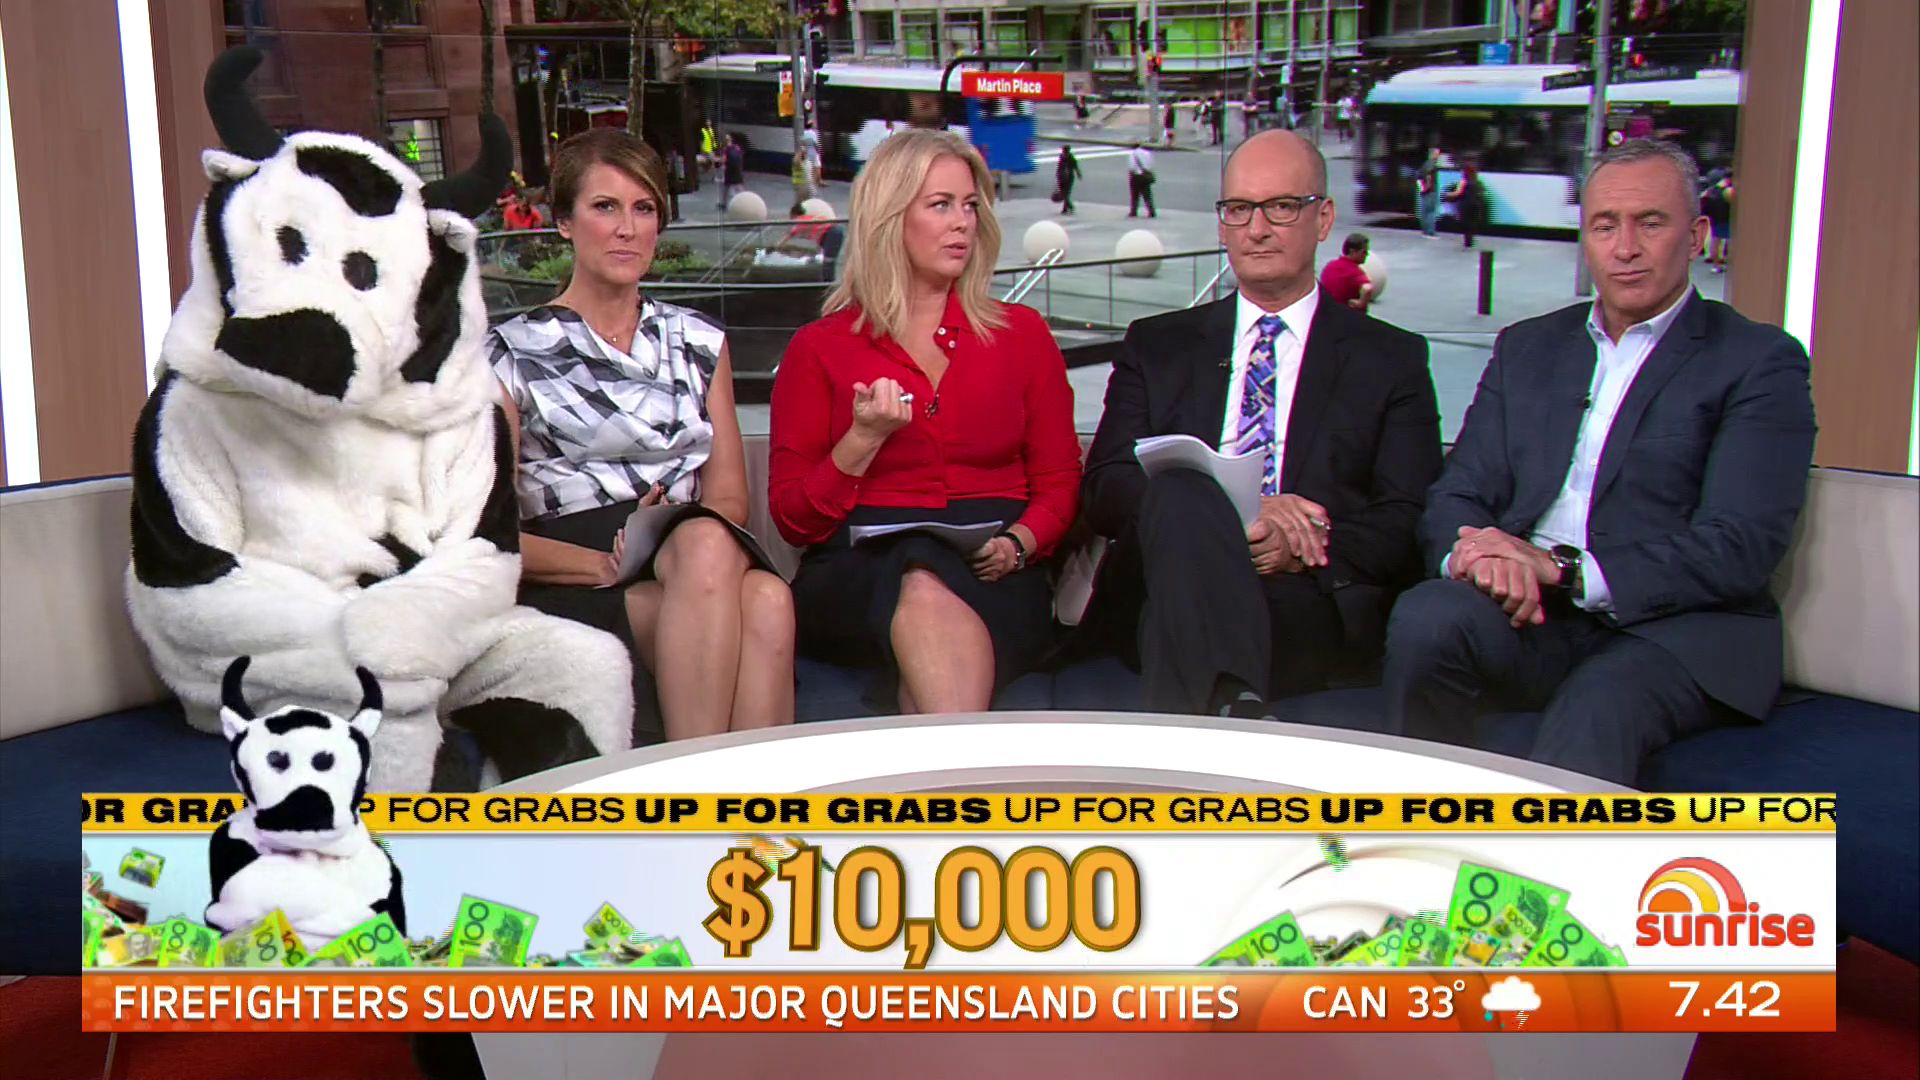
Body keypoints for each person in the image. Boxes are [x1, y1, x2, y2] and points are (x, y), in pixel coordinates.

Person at [1381, 139, 1817, 785]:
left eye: (1650, 223)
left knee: (1601, 701)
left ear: (1697, 236)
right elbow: (1458, 491)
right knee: (1429, 616)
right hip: (1532, 615)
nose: (1625, 248)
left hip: (1674, 631)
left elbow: (1739, 544)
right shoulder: (1528, 347)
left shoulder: (1757, 361)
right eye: (1605, 225)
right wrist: (1475, 556)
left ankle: (1539, 858)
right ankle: (1413, 831)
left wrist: (1565, 570)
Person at [1079, 131, 1442, 716]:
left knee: (1193, 597)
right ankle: (1229, 706)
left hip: (1304, 597)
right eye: (1238, 209)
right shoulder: (1159, 344)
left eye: (1281, 207)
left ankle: (1207, 714)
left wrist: (1300, 543)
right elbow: (1105, 489)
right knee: (1180, 488)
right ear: (1222, 224)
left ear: (1323, 218)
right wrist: (1230, 514)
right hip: (1161, 583)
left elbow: (1407, 516)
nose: (1256, 228)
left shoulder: (1390, 359)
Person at [490, 129, 795, 745]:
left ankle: (715, 790)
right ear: (564, 223)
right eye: (605, 207)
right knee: (755, 596)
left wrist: (664, 540)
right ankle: (704, 785)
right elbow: (486, 529)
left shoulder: (700, 341)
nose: (627, 229)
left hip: (688, 552)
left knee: (760, 590)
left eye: (644, 208)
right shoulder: (508, 352)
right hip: (574, 568)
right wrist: (604, 563)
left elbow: (729, 500)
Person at [769, 129, 1081, 714]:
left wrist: (1019, 544)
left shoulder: (1022, 336)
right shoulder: (819, 348)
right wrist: (862, 440)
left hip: (993, 567)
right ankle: (964, 762)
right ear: (890, 219)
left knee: (929, 596)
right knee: (918, 576)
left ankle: (935, 760)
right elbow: (793, 520)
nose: (963, 223)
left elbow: (1060, 482)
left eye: (970, 205)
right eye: (941, 205)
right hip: (859, 570)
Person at [1318, 233, 1372, 312]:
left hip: (1327, 312)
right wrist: (1361, 303)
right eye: (1364, 252)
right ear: (1352, 251)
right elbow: (1367, 288)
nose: (1367, 254)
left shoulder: (1330, 266)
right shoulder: (1355, 272)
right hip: (1348, 314)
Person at [1446, 161, 1486, 248]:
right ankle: (1470, 239)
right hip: (1477, 204)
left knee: (1466, 223)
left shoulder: (1463, 182)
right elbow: (1482, 192)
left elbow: (1457, 193)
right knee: (1472, 223)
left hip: (1466, 204)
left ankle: (1467, 241)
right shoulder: (1478, 182)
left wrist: (1448, 194)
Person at [1701, 166, 1733, 272]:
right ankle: (1727, 264)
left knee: (1715, 240)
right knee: (1729, 241)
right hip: (1726, 217)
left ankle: (1715, 265)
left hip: (1715, 218)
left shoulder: (1713, 189)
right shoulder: (1729, 189)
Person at [1127, 140, 1157, 218]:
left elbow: (1132, 166)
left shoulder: (1133, 154)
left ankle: (1133, 211)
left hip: (1136, 176)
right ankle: (1151, 211)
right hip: (1145, 175)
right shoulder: (1147, 153)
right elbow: (1151, 164)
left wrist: (1131, 173)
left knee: (1135, 195)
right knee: (1147, 194)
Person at [1417, 146, 1442, 238]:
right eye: (1437, 154)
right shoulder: (1432, 164)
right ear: (1433, 154)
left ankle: (1425, 231)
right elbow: (1429, 176)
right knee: (1431, 212)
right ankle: (1430, 232)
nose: (1438, 156)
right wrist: (1428, 187)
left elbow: (1419, 177)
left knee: (1425, 212)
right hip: (1430, 191)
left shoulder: (1425, 164)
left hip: (1425, 191)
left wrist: (1423, 189)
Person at [719, 133, 745, 210]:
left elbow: (723, 160)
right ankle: (744, 201)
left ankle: (724, 204)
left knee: (726, 187)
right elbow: (740, 156)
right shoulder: (737, 147)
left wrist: (714, 159)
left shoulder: (726, 149)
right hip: (737, 169)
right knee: (739, 186)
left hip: (730, 170)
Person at [1055, 145, 1082, 214]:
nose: (1063, 152)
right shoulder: (1061, 157)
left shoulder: (1071, 158)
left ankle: (1066, 208)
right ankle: (1069, 207)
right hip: (1061, 177)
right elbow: (1059, 166)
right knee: (1063, 193)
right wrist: (1057, 174)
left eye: (1064, 151)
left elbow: (1076, 167)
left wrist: (1079, 174)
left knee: (1066, 194)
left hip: (1069, 178)